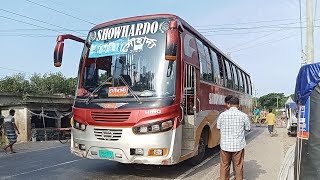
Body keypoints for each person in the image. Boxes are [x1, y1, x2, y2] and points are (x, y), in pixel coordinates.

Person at [217, 97, 251, 180]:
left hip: (225, 146)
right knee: (238, 166)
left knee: (224, 166)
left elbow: (218, 127)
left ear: (229, 104)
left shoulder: (222, 115)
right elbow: (248, 128)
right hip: (238, 146)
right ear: (238, 105)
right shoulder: (243, 115)